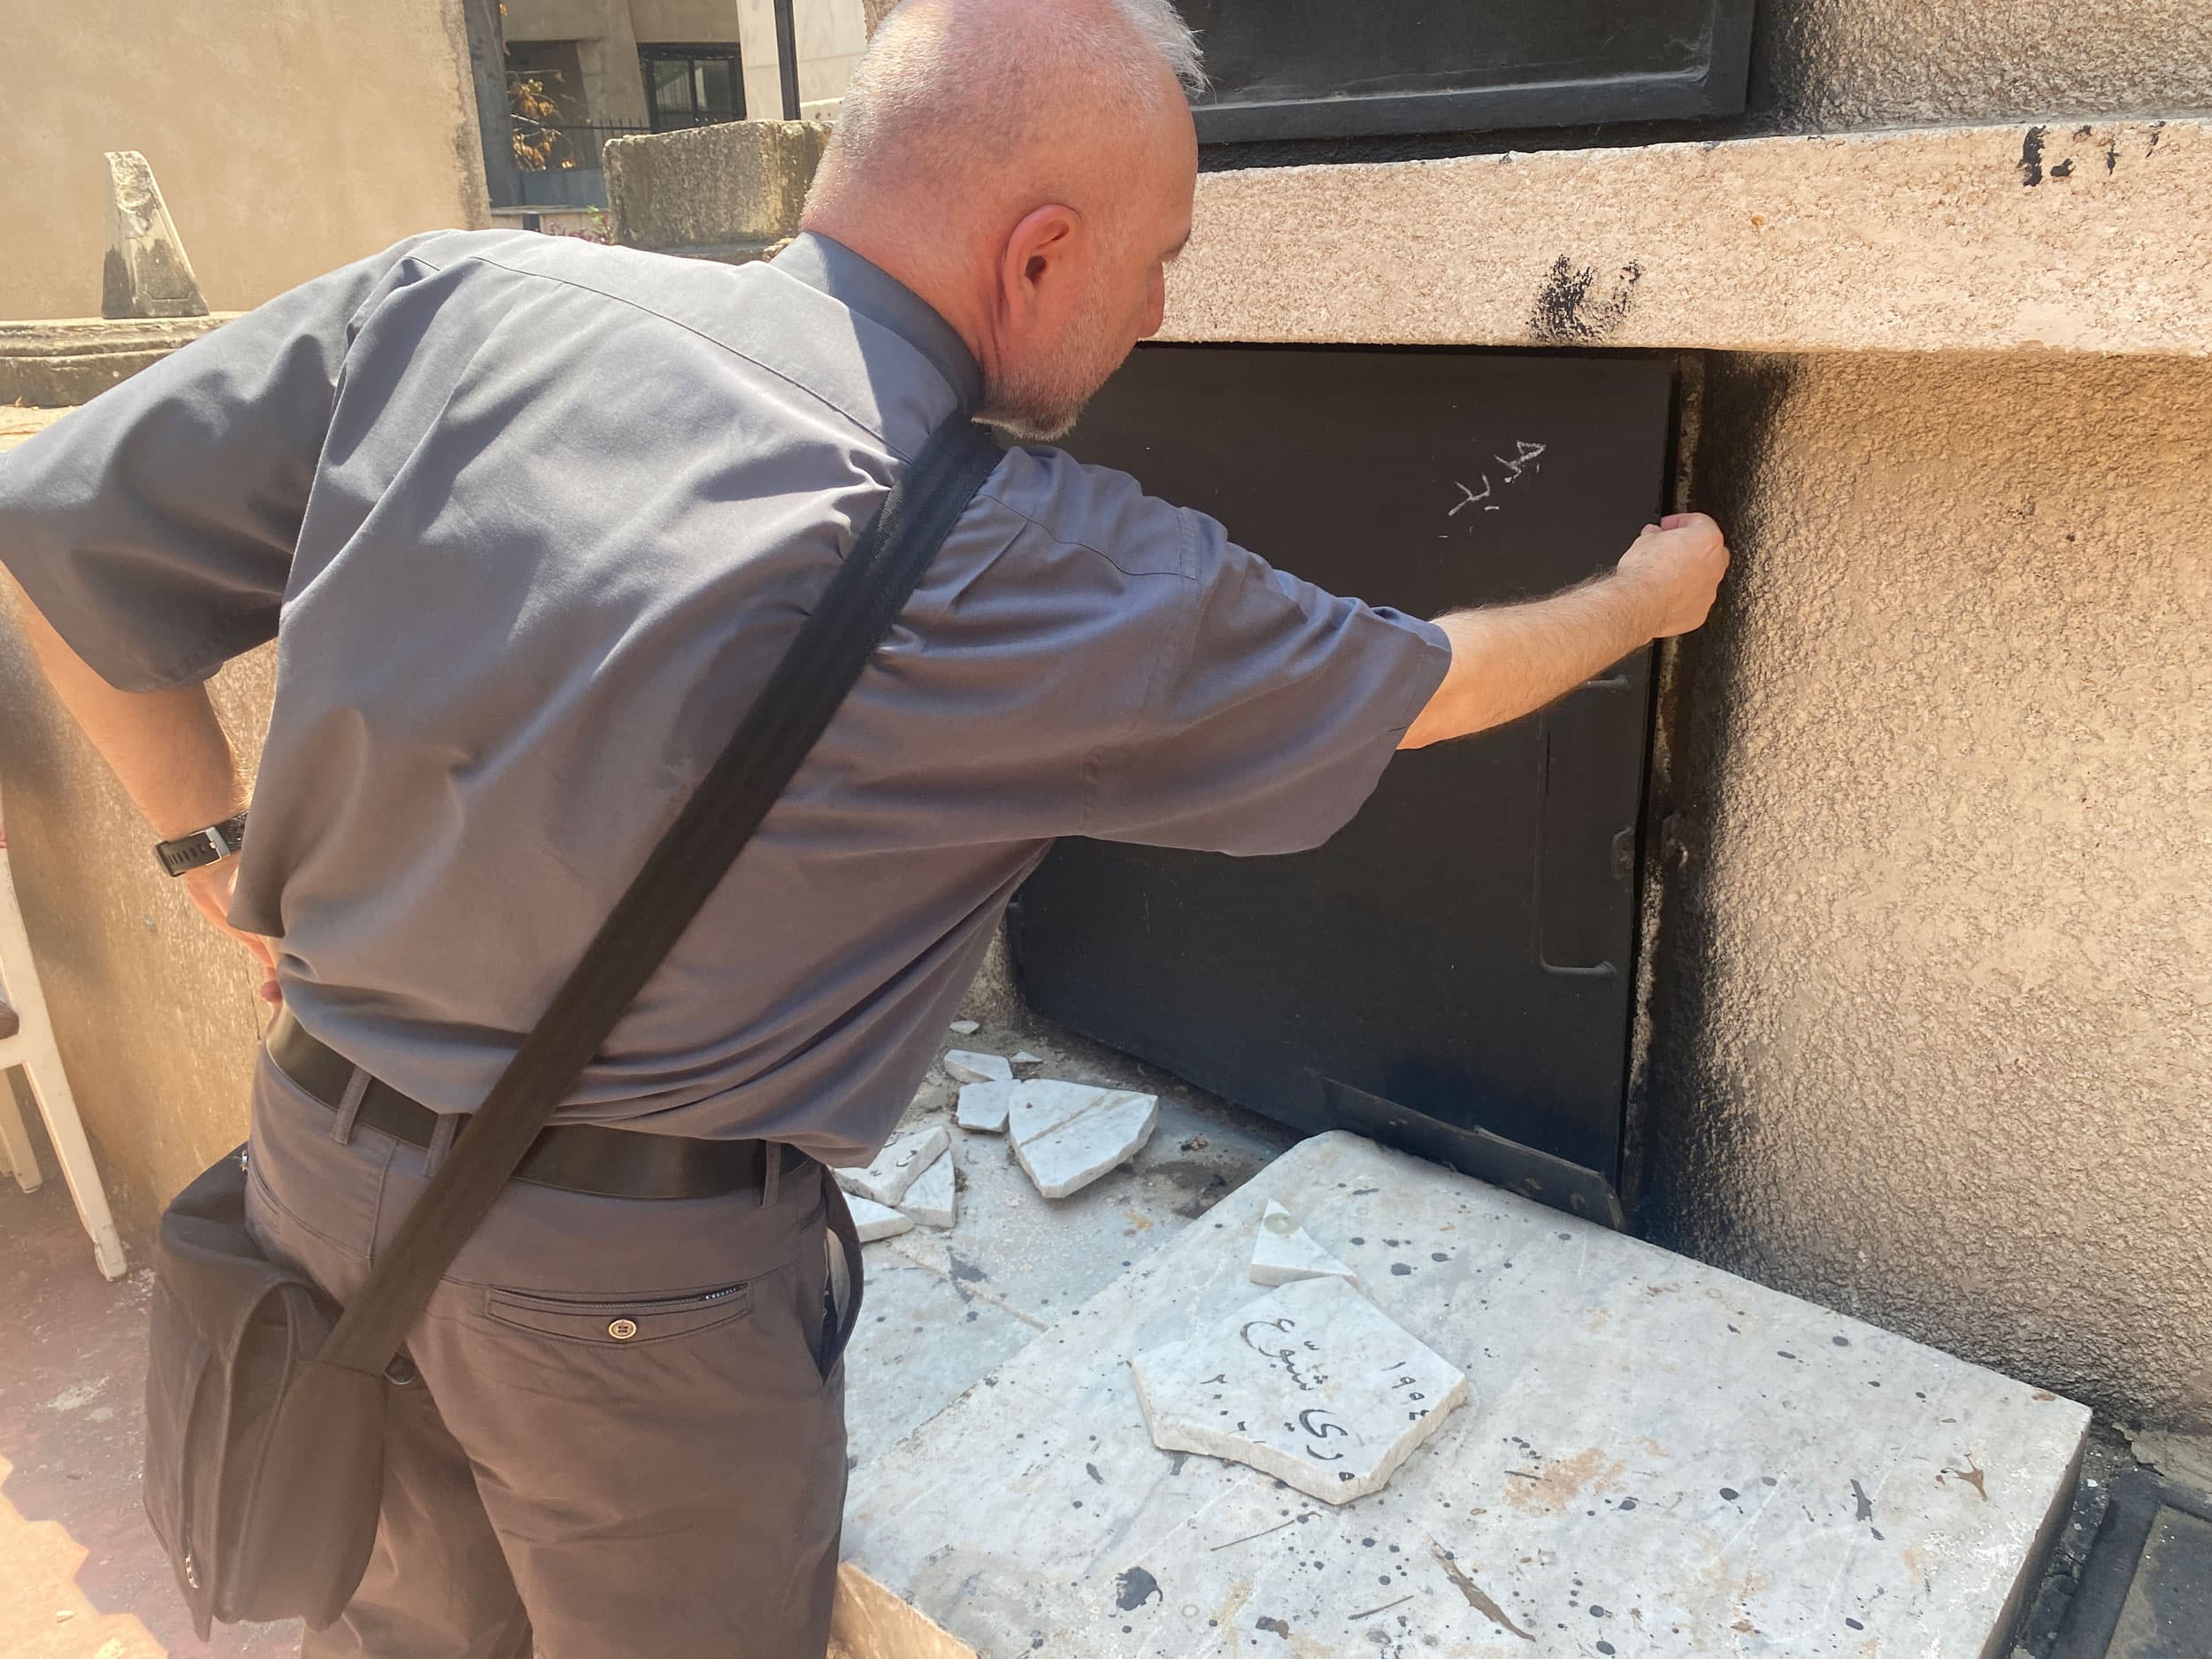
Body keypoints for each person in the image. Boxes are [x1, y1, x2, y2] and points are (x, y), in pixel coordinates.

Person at [0, 0, 1726, 1652]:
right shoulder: (1035, 560)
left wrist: (205, 858)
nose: (1149, 316)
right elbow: (1427, 678)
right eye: (1157, 263)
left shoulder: (454, 301)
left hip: (308, 1154)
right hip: (628, 1301)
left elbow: (57, 540)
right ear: (1037, 253)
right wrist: (1643, 595)